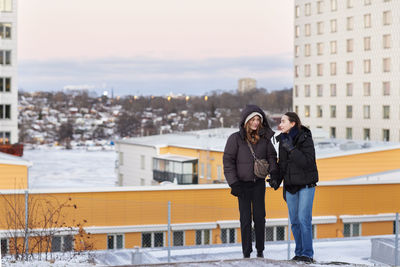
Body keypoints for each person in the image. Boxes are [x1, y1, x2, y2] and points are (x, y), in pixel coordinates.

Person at [223, 104, 280, 258]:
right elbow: (228, 162)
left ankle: (260, 251)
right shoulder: (235, 139)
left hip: (258, 184)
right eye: (253, 119)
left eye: (258, 119)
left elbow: (272, 157)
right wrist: (233, 183)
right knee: (245, 219)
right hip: (241, 185)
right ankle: (246, 252)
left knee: (260, 218)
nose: (256, 122)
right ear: (246, 121)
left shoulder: (265, 138)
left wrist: (274, 173)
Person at [271, 112, 319, 263]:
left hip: (306, 185)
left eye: (283, 121)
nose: (281, 124)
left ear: (292, 123)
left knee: (304, 219)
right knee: (295, 221)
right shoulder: (283, 140)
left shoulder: (305, 138)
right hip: (291, 186)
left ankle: (307, 254)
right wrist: (276, 180)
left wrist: (292, 149)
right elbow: (283, 165)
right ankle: (299, 253)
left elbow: (307, 162)